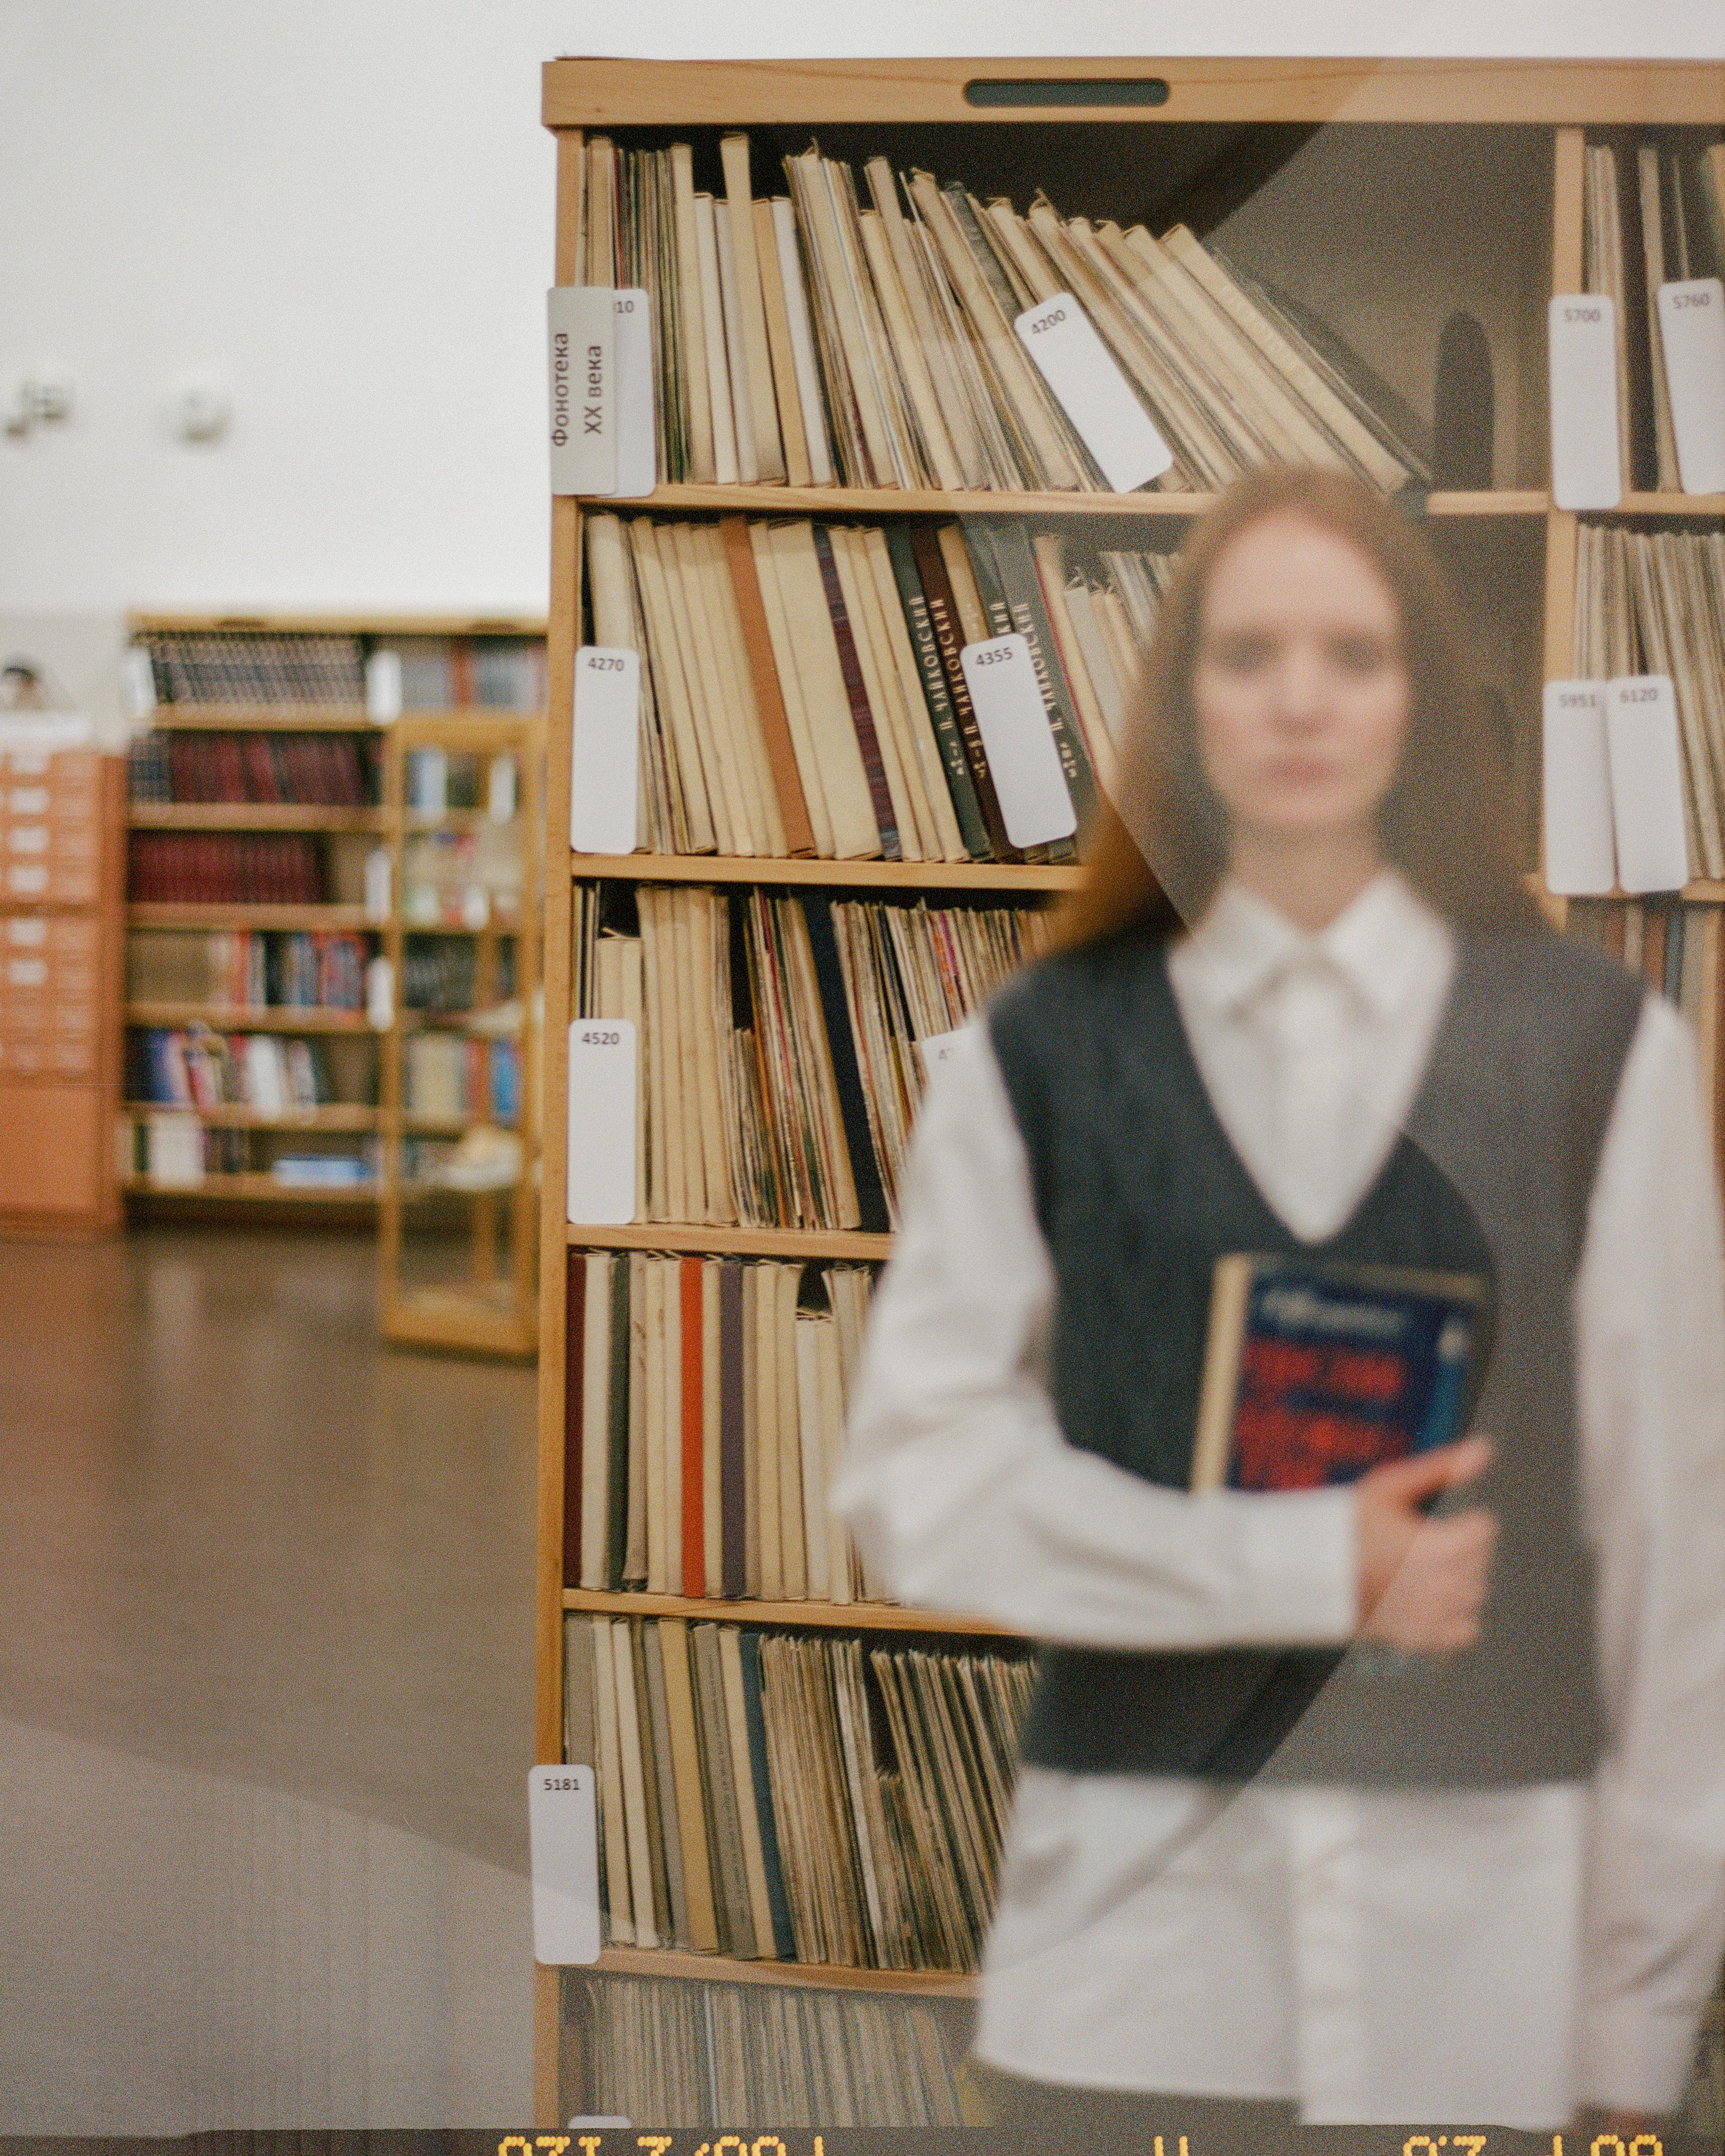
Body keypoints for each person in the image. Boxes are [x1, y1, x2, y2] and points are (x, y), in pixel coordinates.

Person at [832, 468, 1725, 2143]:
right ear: (1179, 705)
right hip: (1133, 1952)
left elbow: (1678, 1556)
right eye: (1247, 653)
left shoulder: (1599, 1051)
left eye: (1351, 651)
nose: (1300, 697)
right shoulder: (1046, 1049)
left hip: (1477, 1958)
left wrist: (1635, 2006)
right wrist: (1297, 1564)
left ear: (1422, 703)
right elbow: (918, 1481)